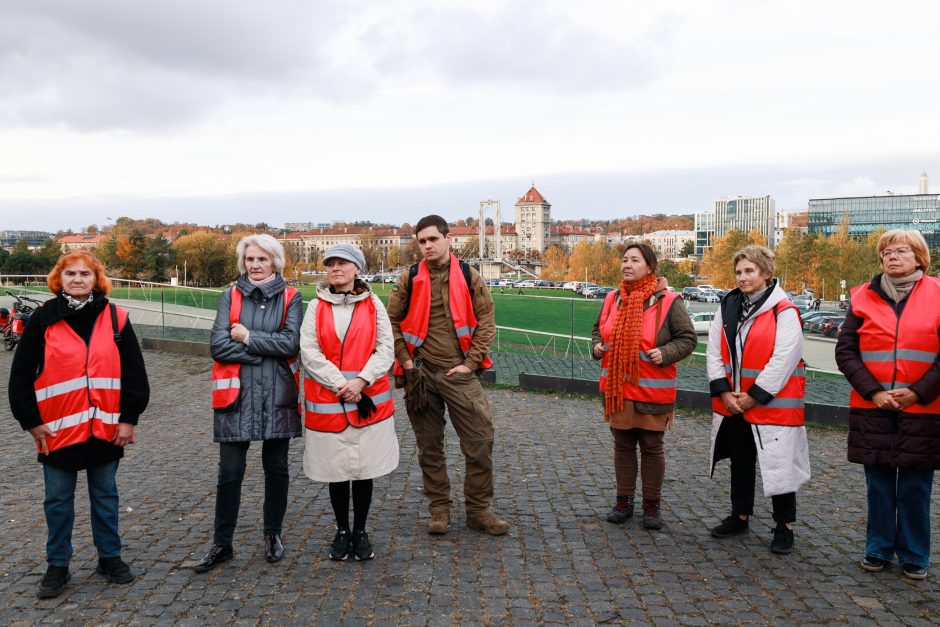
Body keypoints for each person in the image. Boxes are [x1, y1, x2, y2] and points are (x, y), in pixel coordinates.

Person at [9, 252, 150, 598]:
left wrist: (129, 419)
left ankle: (110, 557)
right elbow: (19, 378)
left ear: (96, 280)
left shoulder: (116, 319)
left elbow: (135, 375)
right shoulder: (43, 319)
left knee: (105, 496)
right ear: (59, 278)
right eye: (70, 273)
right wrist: (31, 423)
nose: (77, 279)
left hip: (104, 430)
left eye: (85, 273)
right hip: (57, 431)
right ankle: (58, 565)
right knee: (57, 501)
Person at [386, 214, 508, 536]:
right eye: (422, 241)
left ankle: (479, 510)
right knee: (429, 447)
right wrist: (407, 364)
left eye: (432, 239)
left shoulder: (469, 276)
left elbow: (486, 321)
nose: (427, 246)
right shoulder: (408, 278)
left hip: (460, 374)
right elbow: (392, 324)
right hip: (421, 375)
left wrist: (470, 364)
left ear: (448, 238)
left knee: (481, 442)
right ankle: (439, 508)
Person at [195, 234, 303, 572]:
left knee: (277, 470)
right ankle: (222, 542)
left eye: (263, 259)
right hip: (236, 397)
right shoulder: (230, 295)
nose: (255, 266)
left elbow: (291, 344)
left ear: (275, 262)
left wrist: (247, 337)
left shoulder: (291, 297)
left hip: (277, 395)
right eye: (251, 260)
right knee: (229, 472)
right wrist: (260, 353)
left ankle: (273, 534)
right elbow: (218, 346)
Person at [835, 229, 939, 580]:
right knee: (878, 484)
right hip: (872, 407)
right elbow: (846, 351)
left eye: (901, 251)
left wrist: (917, 392)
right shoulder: (862, 297)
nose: (892, 257)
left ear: (919, 258)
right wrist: (874, 392)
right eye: (886, 252)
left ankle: (914, 553)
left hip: (924, 409)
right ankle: (877, 548)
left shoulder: (938, 294)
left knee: (915, 486)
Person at [706, 245, 810, 555]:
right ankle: (740, 516)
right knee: (741, 461)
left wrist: (753, 397)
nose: (742, 277)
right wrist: (725, 392)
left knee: (780, 467)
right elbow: (714, 351)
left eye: (749, 271)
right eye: (738, 272)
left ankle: (784, 526)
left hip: (772, 406)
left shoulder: (784, 310)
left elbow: (784, 358)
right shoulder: (727, 307)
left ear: (766, 273)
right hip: (734, 403)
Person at [300, 244, 398, 561]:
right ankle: (342, 529)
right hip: (330, 404)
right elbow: (310, 352)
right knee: (337, 471)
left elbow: (385, 348)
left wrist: (362, 380)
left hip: (366, 402)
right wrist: (342, 384)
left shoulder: (373, 305)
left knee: (363, 469)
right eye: (330, 264)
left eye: (342, 263)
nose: (335, 268)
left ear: (357, 269)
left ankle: (361, 529)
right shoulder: (316, 307)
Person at [592, 243, 696, 529]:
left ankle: (652, 504)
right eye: (624, 259)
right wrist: (597, 346)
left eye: (634, 260)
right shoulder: (612, 299)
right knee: (622, 445)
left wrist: (665, 353)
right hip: (618, 391)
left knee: (651, 446)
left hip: (652, 391)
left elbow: (687, 338)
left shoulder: (668, 300)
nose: (627, 264)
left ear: (650, 267)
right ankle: (623, 500)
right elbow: (598, 329)